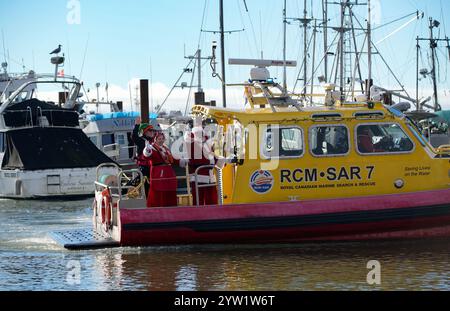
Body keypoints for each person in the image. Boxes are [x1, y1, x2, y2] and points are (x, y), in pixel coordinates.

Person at [184, 117, 227, 206]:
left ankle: (213, 215)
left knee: (211, 200)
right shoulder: (191, 144)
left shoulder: (206, 143)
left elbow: (211, 157)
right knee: (200, 200)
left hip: (209, 176)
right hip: (199, 176)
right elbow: (195, 159)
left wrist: (224, 160)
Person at [143, 131, 182, 208]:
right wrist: (147, 151)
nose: (161, 140)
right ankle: (159, 208)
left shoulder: (165, 148)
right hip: (158, 174)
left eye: (162, 139)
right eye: (159, 139)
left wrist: (181, 161)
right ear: (155, 140)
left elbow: (172, 159)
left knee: (169, 191)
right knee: (159, 192)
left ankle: (171, 207)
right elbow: (147, 157)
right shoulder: (152, 148)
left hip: (168, 173)